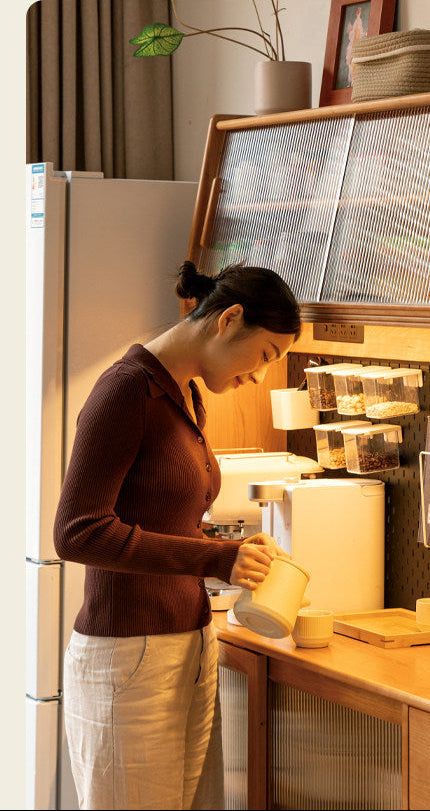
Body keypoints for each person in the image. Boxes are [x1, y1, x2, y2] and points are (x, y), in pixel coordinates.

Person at [53, 260, 301, 810]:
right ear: (228, 319)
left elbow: (160, 511)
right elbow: (77, 533)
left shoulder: (184, 394)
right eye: (264, 356)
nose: (259, 376)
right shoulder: (126, 391)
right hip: (128, 655)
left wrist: (222, 543)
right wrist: (215, 558)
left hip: (187, 643)